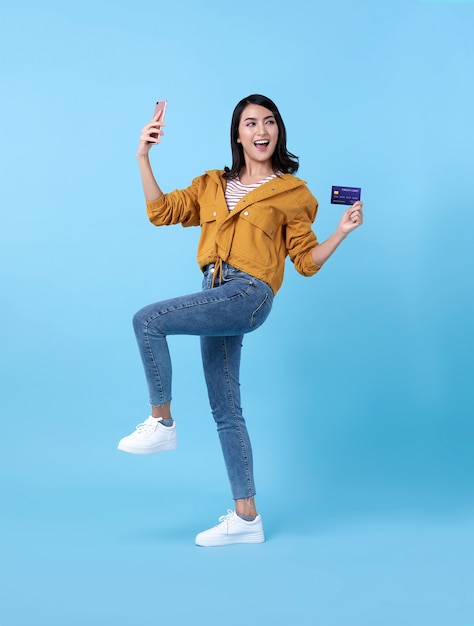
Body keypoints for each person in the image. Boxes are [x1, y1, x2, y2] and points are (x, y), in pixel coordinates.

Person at [117, 94, 363, 547]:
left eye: (269, 122)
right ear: (238, 134)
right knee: (226, 409)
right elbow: (161, 212)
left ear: (277, 131)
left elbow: (305, 262)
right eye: (251, 123)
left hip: (249, 293)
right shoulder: (212, 183)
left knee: (149, 320)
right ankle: (247, 518)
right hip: (215, 293)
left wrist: (341, 232)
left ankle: (162, 422)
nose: (261, 130)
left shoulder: (294, 193)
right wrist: (143, 155)